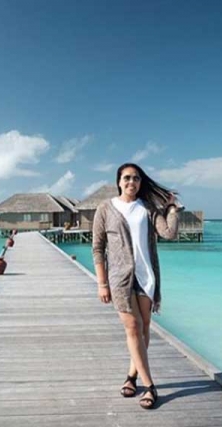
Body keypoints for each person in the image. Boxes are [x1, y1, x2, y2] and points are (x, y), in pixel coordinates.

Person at [92, 162, 179, 410]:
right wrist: (102, 283)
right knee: (133, 326)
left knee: (144, 327)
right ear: (119, 181)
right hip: (120, 279)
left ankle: (131, 376)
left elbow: (169, 233)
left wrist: (172, 208)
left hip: (147, 276)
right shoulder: (105, 208)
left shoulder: (148, 208)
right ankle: (150, 386)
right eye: (127, 178)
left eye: (136, 178)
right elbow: (97, 248)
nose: (132, 182)